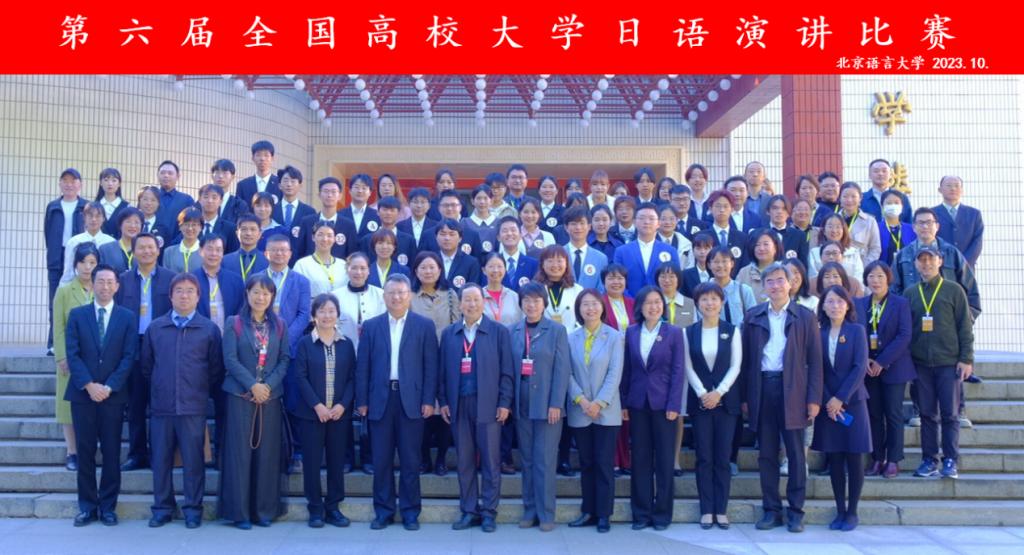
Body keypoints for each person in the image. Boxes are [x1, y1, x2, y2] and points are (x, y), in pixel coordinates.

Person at [742, 263, 823, 534]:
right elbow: (746, 361)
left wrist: (813, 398)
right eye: (770, 282)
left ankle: (796, 511)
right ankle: (771, 510)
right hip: (763, 388)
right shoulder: (753, 316)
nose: (775, 286)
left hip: (795, 390)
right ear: (764, 287)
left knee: (796, 455)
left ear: (790, 284)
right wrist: (746, 397)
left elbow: (815, 361)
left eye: (780, 280)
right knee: (766, 454)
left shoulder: (805, 316)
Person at [141, 273, 224, 529]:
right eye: (179, 291)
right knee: (161, 461)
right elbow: (147, 367)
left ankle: (193, 509)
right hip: (162, 407)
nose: (184, 295)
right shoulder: (156, 328)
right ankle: (162, 508)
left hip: (193, 406)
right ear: (170, 296)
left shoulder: (208, 329)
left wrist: (198, 391)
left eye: (190, 291)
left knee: (194, 462)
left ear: (198, 297)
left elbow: (215, 369)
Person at [356, 275, 438, 531]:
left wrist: (429, 399)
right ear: (384, 296)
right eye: (391, 292)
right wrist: (362, 401)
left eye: (402, 292)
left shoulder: (424, 325)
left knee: (411, 460)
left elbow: (431, 366)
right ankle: (384, 511)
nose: (397, 297)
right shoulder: (371, 326)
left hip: (411, 401)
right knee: (381, 460)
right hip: (380, 400)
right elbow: (363, 366)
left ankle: (410, 512)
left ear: (410, 295)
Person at [64, 263, 136, 527]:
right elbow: (73, 354)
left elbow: (129, 356)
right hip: (83, 396)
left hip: (112, 397)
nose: (105, 287)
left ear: (117, 286)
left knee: (111, 452)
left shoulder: (127, 317)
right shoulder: (77, 315)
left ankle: (107, 507)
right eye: (100, 281)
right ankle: (87, 507)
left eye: (110, 282)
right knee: (84, 452)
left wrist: (109, 386)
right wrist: (89, 385)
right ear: (92, 284)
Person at [439, 284, 515, 533]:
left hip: (489, 405)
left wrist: (504, 402)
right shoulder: (450, 333)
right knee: (464, 461)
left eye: (476, 299)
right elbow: (442, 373)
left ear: (484, 302)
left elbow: (507, 371)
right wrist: (444, 401)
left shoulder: (498, 332)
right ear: (460, 304)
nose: (471, 304)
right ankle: (469, 510)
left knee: (491, 461)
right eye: (467, 300)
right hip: (459, 404)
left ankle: (489, 512)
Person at [219, 274, 290, 529]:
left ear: (272, 297)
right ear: (247, 294)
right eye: (256, 292)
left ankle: (263, 511)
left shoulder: (279, 325)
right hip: (241, 396)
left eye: (266, 293)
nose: (261, 297)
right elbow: (230, 359)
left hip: (270, 397)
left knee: (267, 454)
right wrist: (253, 385)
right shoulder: (234, 323)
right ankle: (240, 513)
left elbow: (284, 359)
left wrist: (267, 386)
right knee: (239, 454)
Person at [906, 246, 974, 480]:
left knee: (950, 414)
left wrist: (966, 359)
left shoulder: (954, 290)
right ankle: (929, 459)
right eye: (921, 260)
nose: (926, 264)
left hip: (949, 363)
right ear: (916, 264)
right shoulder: (911, 293)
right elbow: (906, 330)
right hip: (920, 364)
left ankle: (951, 460)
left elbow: (965, 327)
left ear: (940, 261)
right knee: (926, 414)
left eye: (930, 259)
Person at [621, 286, 686, 531]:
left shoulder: (674, 333)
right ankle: (641, 513)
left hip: (664, 405)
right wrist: (624, 402)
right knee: (640, 459)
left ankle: (662, 514)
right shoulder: (631, 332)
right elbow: (627, 370)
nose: (653, 306)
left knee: (665, 460)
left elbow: (678, 371)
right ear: (640, 306)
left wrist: (674, 404)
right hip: (638, 403)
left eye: (657, 302)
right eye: (648, 302)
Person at [508, 283, 571, 532]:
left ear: (544, 303)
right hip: (521, 403)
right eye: (527, 300)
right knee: (527, 459)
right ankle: (530, 509)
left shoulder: (556, 331)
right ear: (521, 304)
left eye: (536, 300)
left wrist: (556, 403)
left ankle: (546, 513)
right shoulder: (513, 331)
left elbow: (562, 370)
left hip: (547, 405)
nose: (531, 305)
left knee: (544, 459)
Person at [812, 286, 871, 532]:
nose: (835, 306)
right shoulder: (819, 333)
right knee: (835, 459)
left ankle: (852, 512)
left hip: (853, 403)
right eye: (830, 301)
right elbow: (816, 370)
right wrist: (829, 399)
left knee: (854, 458)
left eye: (839, 301)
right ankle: (839, 510)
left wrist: (840, 398)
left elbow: (859, 367)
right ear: (823, 306)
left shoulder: (857, 331)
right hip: (828, 406)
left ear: (848, 305)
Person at [294, 294, 356, 528]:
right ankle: (315, 509)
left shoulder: (346, 344)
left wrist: (342, 405)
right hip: (311, 415)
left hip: (339, 415)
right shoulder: (304, 344)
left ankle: (333, 507)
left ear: (337, 315)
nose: (327, 315)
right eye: (322, 311)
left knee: (336, 462)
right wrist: (317, 405)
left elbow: (353, 378)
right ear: (313, 316)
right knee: (311, 463)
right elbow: (300, 377)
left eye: (331, 311)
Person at [114, 233, 175, 472]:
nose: (147, 251)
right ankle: (137, 454)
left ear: (158, 250)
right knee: (136, 404)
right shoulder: (123, 280)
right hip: (133, 345)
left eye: (151, 247)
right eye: (141, 247)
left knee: (160, 404)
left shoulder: (171, 278)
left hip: (162, 346)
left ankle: (161, 453)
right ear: (134, 251)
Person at [686, 282, 742, 530]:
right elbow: (687, 366)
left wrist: (719, 392)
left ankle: (721, 509)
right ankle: (706, 509)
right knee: (704, 457)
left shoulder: (732, 331)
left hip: (726, 403)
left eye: (714, 299)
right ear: (697, 304)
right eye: (704, 299)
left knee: (722, 457)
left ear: (722, 302)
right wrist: (703, 393)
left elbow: (736, 365)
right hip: (700, 404)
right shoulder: (688, 332)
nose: (709, 303)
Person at [566, 288, 623, 533]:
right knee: (587, 463)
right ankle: (588, 511)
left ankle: (604, 514)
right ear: (579, 309)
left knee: (603, 463)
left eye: (595, 304)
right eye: (585, 304)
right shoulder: (571, 338)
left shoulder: (614, 337)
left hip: (606, 411)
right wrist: (581, 400)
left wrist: (598, 403)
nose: (590, 308)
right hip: (580, 410)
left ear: (602, 307)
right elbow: (567, 373)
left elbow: (614, 373)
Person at [856, 261, 915, 479]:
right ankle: (877, 458)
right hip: (868, 368)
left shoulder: (900, 303)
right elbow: (855, 333)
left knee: (893, 414)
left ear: (888, 279)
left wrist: (882, 361)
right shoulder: (859, 304)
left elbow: (904, 336)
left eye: (880, 276)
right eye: (871, 276)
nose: (876, 280)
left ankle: (893, 459)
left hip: (894, 367)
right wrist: (866, 359)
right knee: (874, 414)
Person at [410, 252, 461, 476]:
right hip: (418, 360)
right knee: (423, 409)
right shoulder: (410, 296)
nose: (428, 271)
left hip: (446, 359)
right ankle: (424, 458)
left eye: (432, 267)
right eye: (423, 267)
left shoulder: (450, 295)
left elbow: (458, 326)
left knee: (444, 410)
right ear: (416, 271)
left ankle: (441, 459)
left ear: (440, 270)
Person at [54, 244, 100, 472]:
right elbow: (58, 326)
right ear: (75, 264)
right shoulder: (64, 291)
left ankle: (89, 449)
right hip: (70, 358)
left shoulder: (102, 289)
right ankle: (72, 451)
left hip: (95, 358)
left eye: (92, 262)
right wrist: (62, 356)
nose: (87, 267)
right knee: (67, 407)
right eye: (83, 262)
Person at [891, 207, 981, 320]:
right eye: (921, 223)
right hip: (913, 321)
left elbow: (970, 288)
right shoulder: (903, 255)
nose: (925, 226)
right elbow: (893, 290)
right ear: (914, 227)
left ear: (937, 226)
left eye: (929, 222)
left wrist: (964, 320)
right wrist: (902, 320)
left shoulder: (951, 253)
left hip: (946, 321)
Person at [45, 168, 86, 353]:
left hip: (78, 257)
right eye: (65, 181)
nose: (69, 184)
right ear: (60, 184)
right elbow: (48, 233)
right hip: (57, 257)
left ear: (80, 184)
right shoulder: (53, 206)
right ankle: (54, 343)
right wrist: (53, 253)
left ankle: (78, 342)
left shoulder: (85, 206)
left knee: (78, 299)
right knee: (55, 300)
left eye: (73, 181)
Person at [600, 264, 634, 476]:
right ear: (604, 282)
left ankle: (625, 460)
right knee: (610, 413)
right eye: (611, 278)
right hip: (606, 365)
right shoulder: (599, 303)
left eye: (620, 278)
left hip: (630, 364)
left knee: (626, 414)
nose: (616, 282)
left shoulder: (632, 303)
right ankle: (612, 460)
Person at [614, 202, 680, 298]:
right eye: (642, 218)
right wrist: (629, 301)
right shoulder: (621, 251)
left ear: (658, 223)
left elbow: (676, 281)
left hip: (661, 303)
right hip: (631, 302)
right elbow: (617, 281)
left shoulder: (670, 251)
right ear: (634, 222)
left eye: (651, 218)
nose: (647, 222)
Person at [296, 177, 358, 261]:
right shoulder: (306, 222)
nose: (329, 195)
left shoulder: (348, 225)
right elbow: (300, 252)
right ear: (319, 195)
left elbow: (352, 255)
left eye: (333, 192)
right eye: (326, 191)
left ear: (340, 196)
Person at [192, 234, 245, 333]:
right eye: (209, 249)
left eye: (218, 250)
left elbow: (241, 310)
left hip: (229, 335)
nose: (214, 253)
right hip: (199, 335)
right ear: (200, 251)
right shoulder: (191, 279)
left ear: (223, 252)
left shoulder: (235, 280)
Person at [331, 252, 385, 340]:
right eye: (354, 268)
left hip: (374, 344)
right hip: (344, 345)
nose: (358, 272)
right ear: (347, 270)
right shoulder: (335, 296)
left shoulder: (380, 294)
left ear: (368, 271)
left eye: (363, 268)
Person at [933, 176, 983, 268]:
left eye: (957, 186)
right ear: (940, 190)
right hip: (940, 266)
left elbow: (977, 241)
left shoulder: (974, 214)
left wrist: (964, 262)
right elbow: (930, 239)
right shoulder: (932, 213)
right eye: (948, 185)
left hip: (966, 268)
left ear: (962, 190)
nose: (953, 188)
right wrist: (941, 261)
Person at [60, 201, 114, 286]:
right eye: (90, 215)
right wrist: (63, 288)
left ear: (103, 218)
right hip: (78, 287)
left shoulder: (111, 242)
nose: (94, 219)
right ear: (84, 217)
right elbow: (68, 270)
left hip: (104, 288)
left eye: (98, 216)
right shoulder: (74, 242)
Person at [293, 221, 349, 297]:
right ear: (313, 237)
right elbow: (295, 293)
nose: (325, 239)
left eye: (329, 235)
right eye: (320, 235)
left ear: (334, 239)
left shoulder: (343, 265)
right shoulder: (302, 265)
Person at [271, 166, 316, 258]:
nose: (289, 184)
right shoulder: (271, 210)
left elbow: (311, 242)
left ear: (300, 185)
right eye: (286, 181)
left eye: (293, 181)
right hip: (275, 258)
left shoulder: (309, 212)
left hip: (300, 260)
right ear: (279, 185)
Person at [809, 215, 865, 286]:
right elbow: (813, 277)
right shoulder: (814, 253)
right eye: (830, 226)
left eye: (838, 227)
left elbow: (859, 278)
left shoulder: (853, 252)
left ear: (844, 230)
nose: (834, 230)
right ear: (824, 231)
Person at [360, 196, 417, 265]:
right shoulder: (366, 240)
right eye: (385, 210)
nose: (388, 213)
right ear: (378, 212)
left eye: (392, 210)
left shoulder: (409, 241)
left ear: (398, 213)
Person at [708, 246, 757, 326]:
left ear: (732, 263)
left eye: (724, 261)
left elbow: (754, 319)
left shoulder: (744, 290)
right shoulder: (703, 292)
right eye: (716, 262)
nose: (720, 265)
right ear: (709, 265)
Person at [705, 190, 749, 276]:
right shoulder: (702, 236)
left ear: (732, 209)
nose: (722, 210)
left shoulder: (742, 237)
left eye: (726, 206)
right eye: (718, 206)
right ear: (710, 209)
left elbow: (744, 265)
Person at [564, 206, 609, 291]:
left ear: (589, 226)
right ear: (566, 228)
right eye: (573, 224)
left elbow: (601, 289)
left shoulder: (601, 258)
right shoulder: (559, 254)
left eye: (582, 223)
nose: (578, 227)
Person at [838, 182, 882, 266]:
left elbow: (875, 249)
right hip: (837, 268)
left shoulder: (870, 221)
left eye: (853, 196)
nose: (849, 200)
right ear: (839, 198)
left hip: (862, 267)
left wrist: (864, 267)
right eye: (845, 196)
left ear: (860, 198)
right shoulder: (833, 219)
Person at [736, 229, 784, 303]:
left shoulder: (784, 271)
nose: (761, 248)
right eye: (757, 245)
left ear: (775, 247)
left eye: (766, 244)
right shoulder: (744, 272)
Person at [433, 219, 482, 290]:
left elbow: (473, 289)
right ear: (436, 237)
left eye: (452, 234)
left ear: (460, 238)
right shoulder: (430, 260)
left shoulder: (471, 262)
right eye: (443, 234)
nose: (447, 238)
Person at [154, 161, 195, 244]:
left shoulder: (187, 200)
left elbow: (191, 224)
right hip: (151, 247)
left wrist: (175, 244)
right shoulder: (150, 197)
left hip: (177, 246)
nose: (166, 175)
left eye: (170, 173)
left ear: (178, 176)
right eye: (162, 173)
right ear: (157, 175)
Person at [495, 216, 539, 292]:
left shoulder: (533, 264)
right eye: (505, 231)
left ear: (520, 235)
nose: (509, 233)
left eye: (513, 230)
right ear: (498, 237)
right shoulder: (492, 264)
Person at [861, 159, 912, 224]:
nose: (880, 174)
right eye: (876, 171)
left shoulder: (902, 198)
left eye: (884, 171)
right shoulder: (862, 199)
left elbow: (909, 222)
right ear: (869, 175)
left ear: (890, 174)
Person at [222, 215, 270, 281]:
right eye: (244, 229)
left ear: (260, 234)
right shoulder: (225, 261)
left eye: (253, 229)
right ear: (237, 233)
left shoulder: (268, 261)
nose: (248, 233)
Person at [765, 195, 809, 267]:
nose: (779, 212)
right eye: (775, 208)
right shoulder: (759, 233)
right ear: (768, 211)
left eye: (784, 209)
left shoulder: (799, 236)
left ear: (789, 213)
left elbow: (803, 265)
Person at [482, 253, 524, 326]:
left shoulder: (514, 297)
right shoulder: (478, 296)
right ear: (484, 270)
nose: (495, 270)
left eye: (499, 266)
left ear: (505, 269)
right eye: (491, 266)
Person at [196, 184, 240, 254]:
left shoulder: (230, 228)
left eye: (214, 198)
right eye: (206, 197)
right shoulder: (192, 226)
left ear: (221, 201)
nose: (210, 201)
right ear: (199, 200)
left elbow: (233, 254)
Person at [99, 208, 144, 276]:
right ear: (120, 224)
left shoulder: (146, 250)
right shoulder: (105, 249)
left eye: (136, 222)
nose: (132, 226)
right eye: (128, 221)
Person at [236, 140, 282, 206]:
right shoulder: (242, 185)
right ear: (253, 158)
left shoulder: (280, 184)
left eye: (266, 155)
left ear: (272, 158)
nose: (262, 158)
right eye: (258, 155)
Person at [878, 190, 917, 266]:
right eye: (889, 203)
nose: (893, 206)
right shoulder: (876, 228)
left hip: (907, 271)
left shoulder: (911, 229)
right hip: (883, 271)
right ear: (882, 206)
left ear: (902, 206)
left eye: (896, 203)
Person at [163, 207, 204, 275]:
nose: (190, 228)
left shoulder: (206, 252)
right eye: (186, 224)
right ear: (180, 227)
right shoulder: (169, 252)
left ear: (201, 228)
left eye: (194, 225)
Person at [399, 188, 440, 253]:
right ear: (409, 204)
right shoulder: (399, 226)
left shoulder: (436, 226)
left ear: (429, 205)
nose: (419, 206)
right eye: (415, 202)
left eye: (423, 202)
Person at [341, 174, 381, 239]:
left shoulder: (377, 215)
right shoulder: (340, 214)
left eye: (364, 188)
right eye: (356, 187)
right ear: (350, 191)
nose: (360, 191)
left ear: (370, 192)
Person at [463, 184, 498, 254]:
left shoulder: (499, 223)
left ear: (491, 201)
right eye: (478, 198)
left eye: (485, 198)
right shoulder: (464, 223)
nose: (482, 202)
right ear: (472, 201)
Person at [657, 204, 694, 268]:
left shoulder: (686, 244)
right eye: (663, 219)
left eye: (671, 219)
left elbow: (689, 266)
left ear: (677, 220)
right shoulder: (649, 241)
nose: (667, 222)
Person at [96, 168, 130, 237]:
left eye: (114, 180)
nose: (110, 183)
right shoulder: (95, 206)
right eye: (106, 180)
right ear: (101, 183)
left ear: (119, 184)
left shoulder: (127, 207)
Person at [682, 231, 715, 299]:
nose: (702, 252)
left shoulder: (717, 273)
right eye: (698, 248)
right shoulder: (685, 275)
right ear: (693, 250)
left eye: (706, 248)